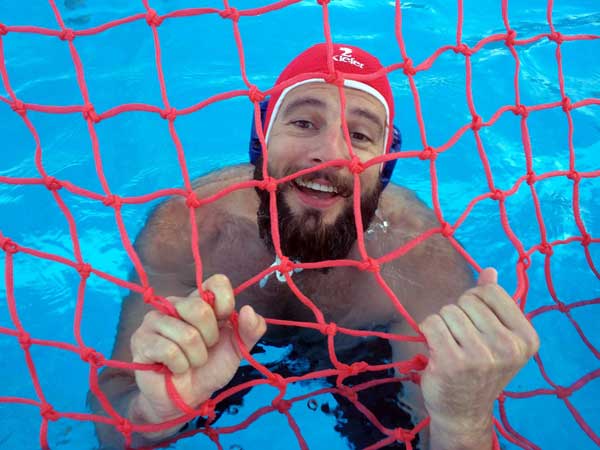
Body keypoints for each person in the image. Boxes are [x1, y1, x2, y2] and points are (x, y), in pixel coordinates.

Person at [88, 43, 540, 449]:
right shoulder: (190, 228)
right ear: (261, 137)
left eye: (360, 136)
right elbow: (115, 420)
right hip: (221, 355)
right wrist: (156, 414)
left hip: (363, 358)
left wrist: (462, 423)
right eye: (304, 122)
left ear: (385, 166)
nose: (330, 154)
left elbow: (433, 434)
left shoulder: (420, 260)